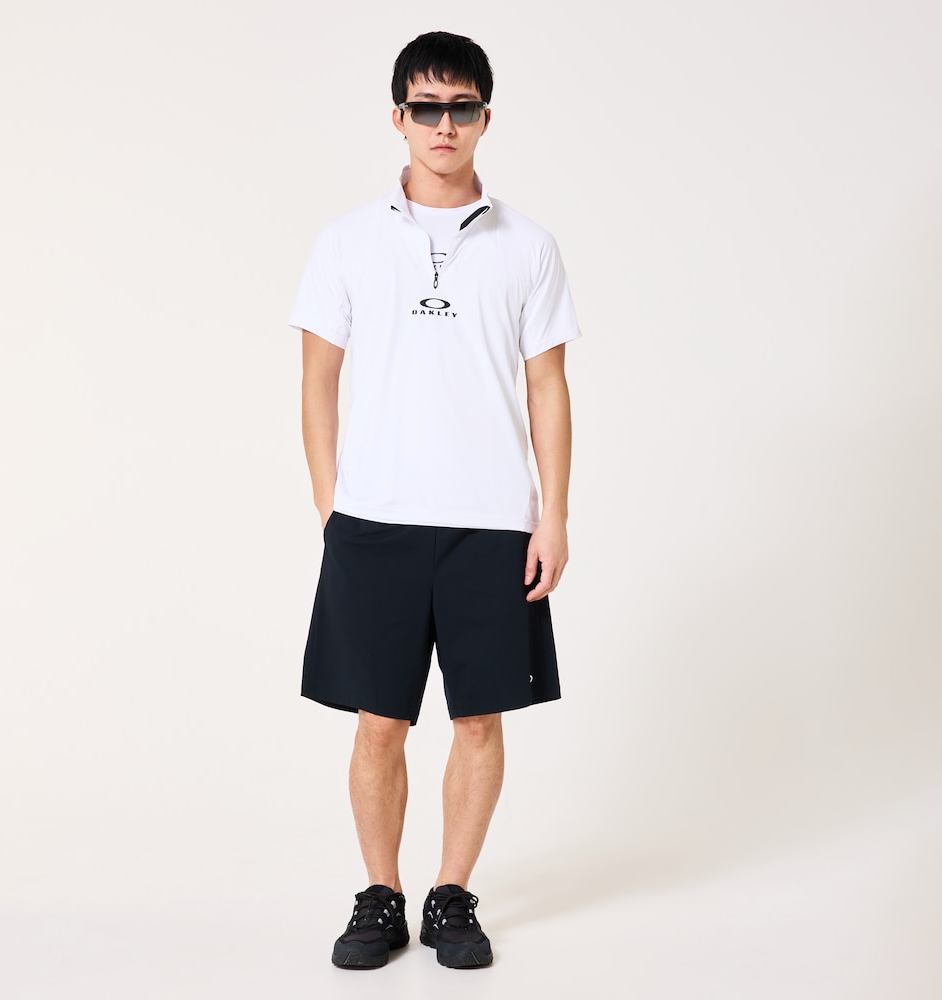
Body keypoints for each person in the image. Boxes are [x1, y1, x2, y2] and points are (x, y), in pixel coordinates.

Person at [288, 29, 581, 970]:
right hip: (375, 522)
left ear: (485, 118)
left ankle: (452, 894)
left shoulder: (528, 246)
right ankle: (381, 894)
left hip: (492, 524)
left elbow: (548, 388)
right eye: (426, 107)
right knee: (379, 721)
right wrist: (333, 507)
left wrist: (553, 514)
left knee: (479, 719)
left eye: (461, 108)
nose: (443, 124)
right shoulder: (347, 241)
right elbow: (317, 380)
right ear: (398, 118)